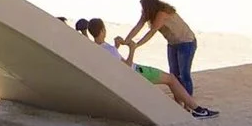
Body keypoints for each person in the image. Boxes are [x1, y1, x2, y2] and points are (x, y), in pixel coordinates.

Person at [81, 18, 215, 117]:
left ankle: (183, 109)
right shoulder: (109, 49)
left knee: (171, 79)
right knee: (171, 79)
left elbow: (112, 60)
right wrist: (132, 49)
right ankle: (196, 109)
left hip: (126, 74)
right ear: (103, 30)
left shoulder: (95, 48)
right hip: (136, 72)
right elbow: (126, 67)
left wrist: (116, 47)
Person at [118, 0, 199, 100]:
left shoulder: (162, 13)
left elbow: (151, 32)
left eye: (142, 0)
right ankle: (179, 100)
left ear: (147, 2)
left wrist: (136, 45)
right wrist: (126, 40)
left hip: (186, 42)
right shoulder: (147, 13)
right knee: (174, 74)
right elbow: (138, 26)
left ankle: (189, 102)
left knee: (184, 74)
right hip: (172, 43)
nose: (140, 2)